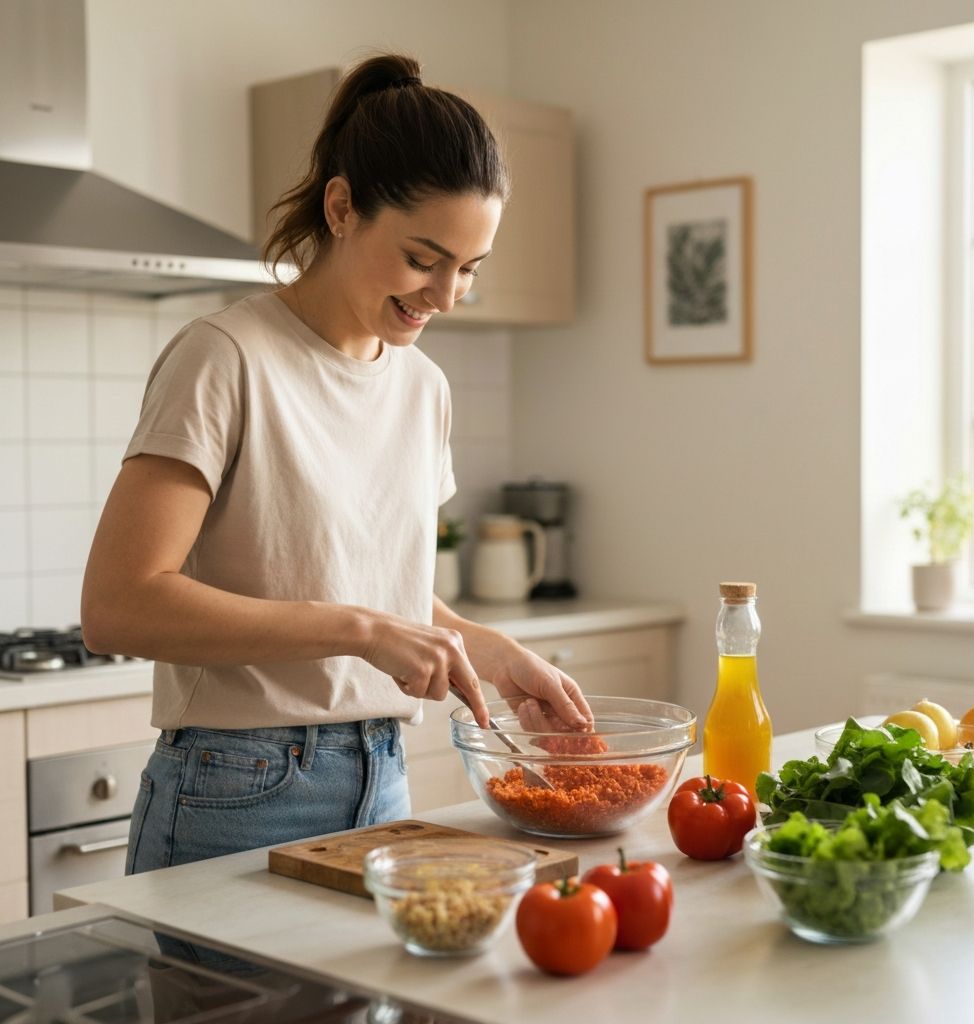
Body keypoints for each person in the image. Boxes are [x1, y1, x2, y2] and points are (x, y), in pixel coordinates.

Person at [81, 52, 592, 876]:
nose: (446, 295)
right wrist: (360, 632)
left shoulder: (424, 388)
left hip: (382, 776)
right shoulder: (225, 357)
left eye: (469, 269)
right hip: (233, 786)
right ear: (343, 206)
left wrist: (487, 651)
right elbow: (117, 605)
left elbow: (368, 585)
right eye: (424, 258)